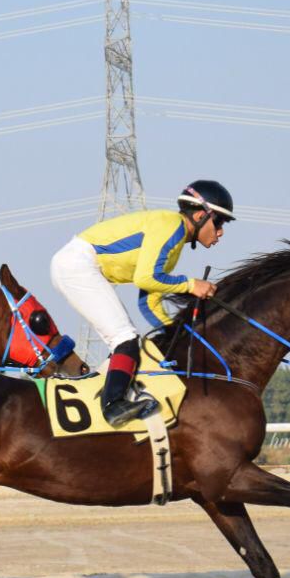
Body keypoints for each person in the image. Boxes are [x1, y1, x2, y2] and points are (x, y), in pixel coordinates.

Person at [50, 180, 232, 427]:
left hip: (76, 265)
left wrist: (177, 336)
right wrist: (192, 285)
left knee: (126, 340)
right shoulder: (172, 227)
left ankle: (108, 393)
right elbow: (146, 277)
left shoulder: (175, 243)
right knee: (125, 339)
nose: (220, 232)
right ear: (200, 215)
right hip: (78, 264)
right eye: (219, 222)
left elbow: (149, 301)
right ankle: (113, 405)